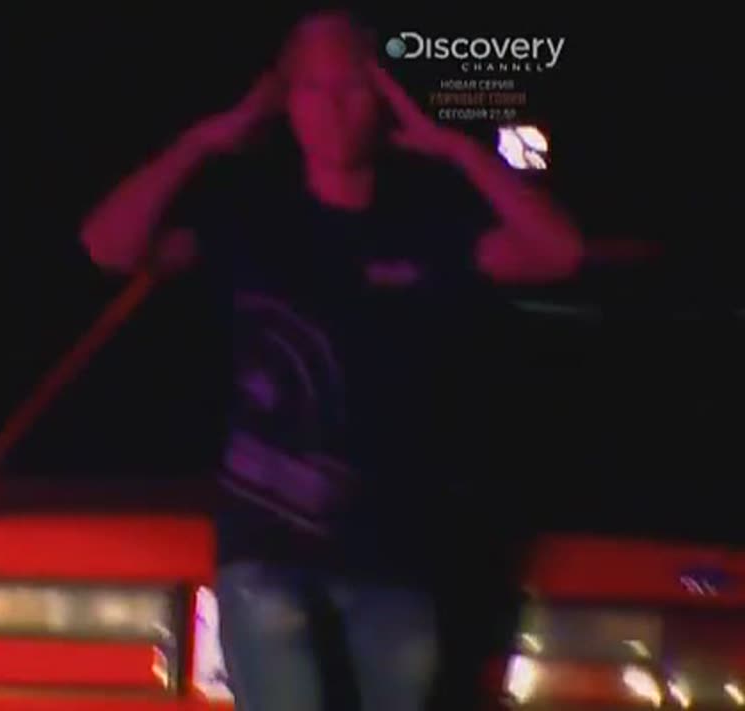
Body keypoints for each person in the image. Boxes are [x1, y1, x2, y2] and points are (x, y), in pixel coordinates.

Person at [79, 9, 584, 711]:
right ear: (286, 101)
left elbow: (558, 254)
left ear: (382, 96)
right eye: (312, 88)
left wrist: (454, 148)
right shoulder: (252, 218)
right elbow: (108, 245)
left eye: (351, 86)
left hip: (394, 556)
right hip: (267, 560)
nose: (333, 108)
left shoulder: (425, 224)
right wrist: (203, 140)